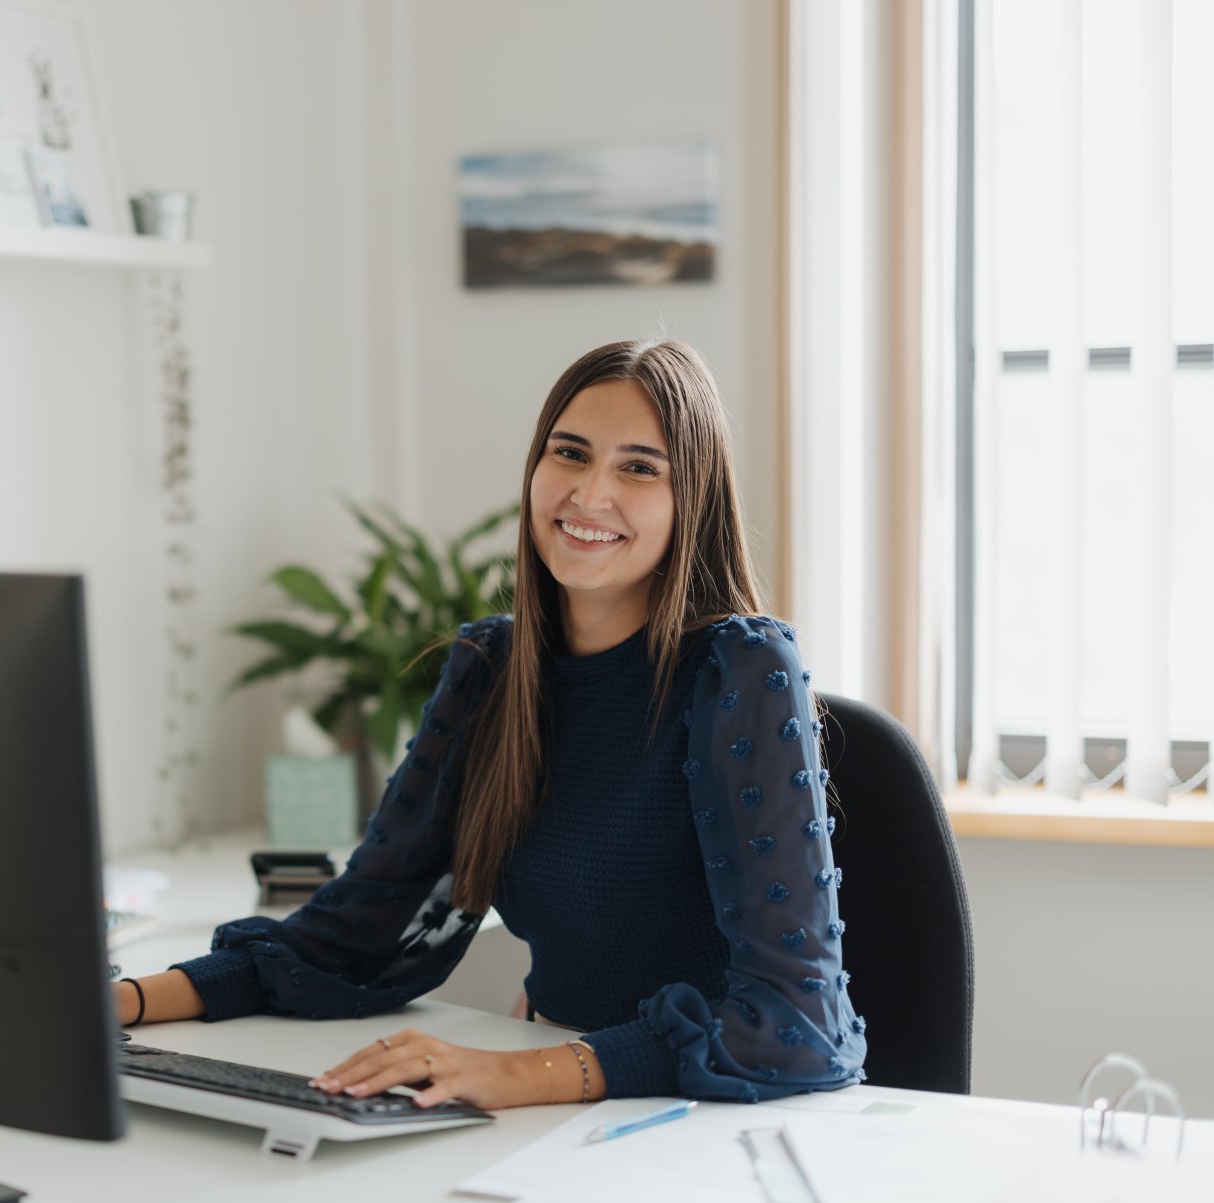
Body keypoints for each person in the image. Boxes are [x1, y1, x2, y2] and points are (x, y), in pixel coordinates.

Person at [113, 339, 865, 1110]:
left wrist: (516, 1072)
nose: (589, 492)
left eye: (640, 467)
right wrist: (118, 1000)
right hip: (557, 1108)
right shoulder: (491, 667)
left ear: (692, 500)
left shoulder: (739, 668)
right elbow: (348, 935)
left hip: (702, 1121)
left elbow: (796, 1024)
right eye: (568, 453)